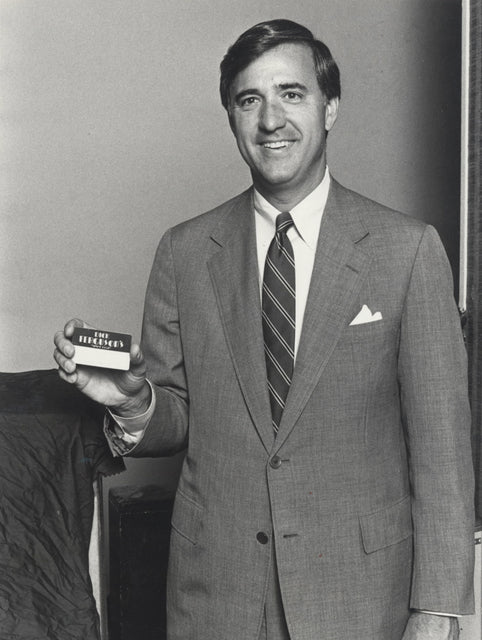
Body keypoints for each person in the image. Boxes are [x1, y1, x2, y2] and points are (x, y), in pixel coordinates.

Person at [54, 19, 474, 640]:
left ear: (330, 108)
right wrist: (133, 403)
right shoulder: (184, 253)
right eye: (249, 100)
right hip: (216, 595)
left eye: (291, 94)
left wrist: (437, 607)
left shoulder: (406, 251)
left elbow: (443, 450)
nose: (271, 120)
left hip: (361, 597)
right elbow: (177, 421)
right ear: (231, 118)